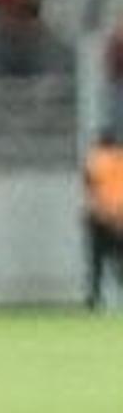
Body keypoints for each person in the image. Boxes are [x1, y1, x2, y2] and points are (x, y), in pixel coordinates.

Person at [87, 129, 123, 308]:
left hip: (100, 217)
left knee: (97, 261)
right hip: (120, 217)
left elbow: (90, 189)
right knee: (120, 258)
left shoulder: (96, 160)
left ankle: (95, 298)